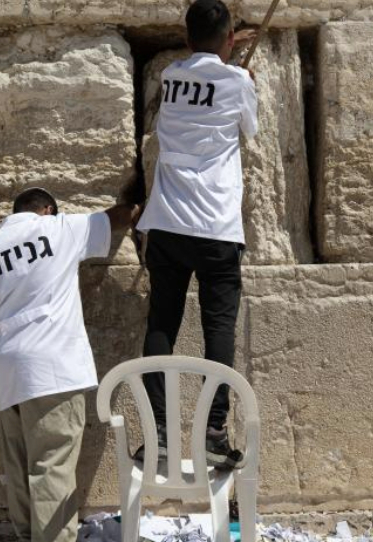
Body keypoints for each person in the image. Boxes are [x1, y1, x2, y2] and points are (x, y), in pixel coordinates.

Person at [0, 188, 140, 542]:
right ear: (47, 209)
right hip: (54, 367)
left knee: (24, 467)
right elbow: (113, 218)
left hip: (10, 372)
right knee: (53, 464)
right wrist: (139, 205)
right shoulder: (57, 227)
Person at [134, 0, 258, 469]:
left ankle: (159, 433)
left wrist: (224, 55)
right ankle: (212, 431)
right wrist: (242, 76)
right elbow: (251, 129)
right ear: (229, 39)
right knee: (217, 329)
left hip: (167, 221)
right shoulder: (239, 81)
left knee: (162, 324)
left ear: (186, 40)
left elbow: (199, 75)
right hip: (216, 227)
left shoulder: (169, 77)